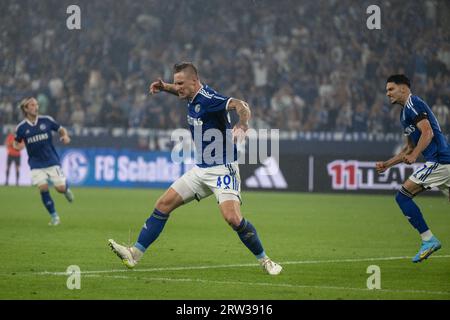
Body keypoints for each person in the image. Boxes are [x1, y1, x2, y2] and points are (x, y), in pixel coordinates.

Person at [109, 62, 282, 275]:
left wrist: (243, 123)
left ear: (195, 81)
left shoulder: (210, 100)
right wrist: (165, 87)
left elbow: (241, 105)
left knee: (233, 218)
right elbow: (180, 90)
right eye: (176, 83)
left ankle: (265, 261)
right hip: (200, 170)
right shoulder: (190, 95)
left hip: (222, 169)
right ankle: (134, 254)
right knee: (163, 204)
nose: (178, 87)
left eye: (181, 83)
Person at [376, 74, 450, 263]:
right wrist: (387, 164)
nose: (387, 94)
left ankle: (428, 240)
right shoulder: (404, 114)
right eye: (386, 90)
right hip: (444, 162)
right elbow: (408, 148)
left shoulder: (413, 103)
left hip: (439, 161)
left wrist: (416, 155)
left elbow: (428, 132)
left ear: (403, 88)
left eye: (391, 89)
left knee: (402, 196)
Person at [13, 97, 75, 226]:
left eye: (36, 105)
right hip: (36, 164)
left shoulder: (46, 120)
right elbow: (16, 143)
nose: (36, 107)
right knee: (43, 188)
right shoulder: (22, 128)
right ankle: (54, 217)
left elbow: (60, 129)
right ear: (25, 108)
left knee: (60, 188)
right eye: (32, 105)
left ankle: (66, 189)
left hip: (51, 160)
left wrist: (65, 136)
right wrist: (18, 146)